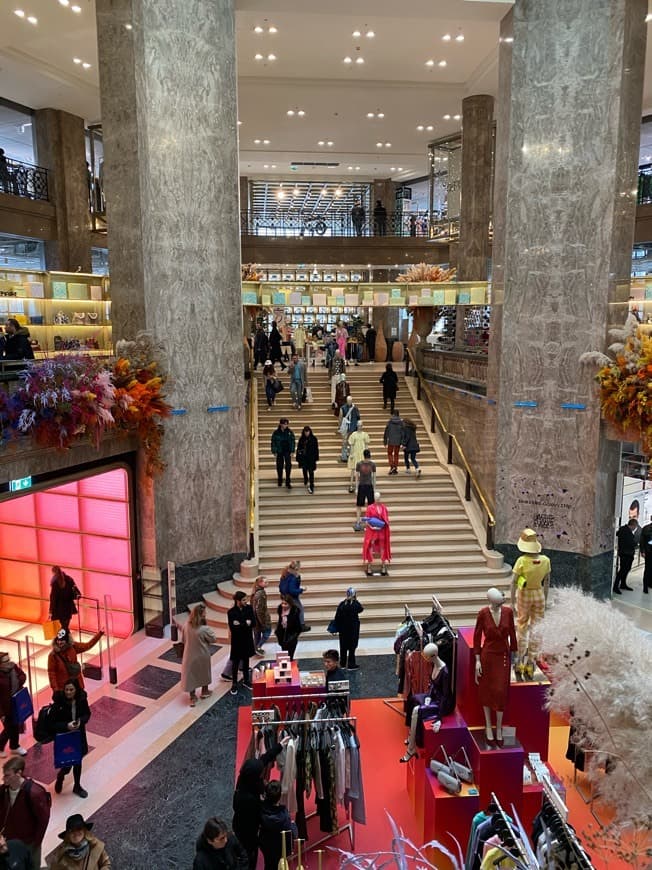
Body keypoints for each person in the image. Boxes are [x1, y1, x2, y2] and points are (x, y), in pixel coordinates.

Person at [474, 587, 517, 746]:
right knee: (486, 690)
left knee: (500, 691)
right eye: (497, 602)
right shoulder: (483, 614)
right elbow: (477, 637)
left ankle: (498, 727)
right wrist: (477, 660)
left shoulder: (508, 612)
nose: (500, 605)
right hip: (487, 656)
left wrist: (515, 655)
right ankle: (488, 726)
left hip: (503, 655)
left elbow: (512, 632)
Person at [232, 743, 283, 870]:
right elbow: (260, 815)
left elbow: (263, 760)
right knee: (248, 856)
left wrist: (279, 746)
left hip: (241, 825)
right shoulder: (248, 799)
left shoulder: (245, 780)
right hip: (247, 832)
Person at [400, 643, 454, 762]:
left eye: (427, 657)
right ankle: (411, 736)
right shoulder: (434, 665)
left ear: (433, 656)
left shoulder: (444, 672)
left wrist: (439, 718)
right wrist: (429, 696)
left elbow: (445, 696)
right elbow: (432, 685)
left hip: (441, 703)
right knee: (413, 699)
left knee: (417, 710)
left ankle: (411, 749)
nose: (425, 659)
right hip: (433, 697)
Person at [510, 528, 550, 679]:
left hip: (525, 594)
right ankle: (531, 663)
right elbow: (547, 581)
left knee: (522, 626)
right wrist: (545, 598)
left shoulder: (522, 561)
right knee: (536, 627)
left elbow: (513, 582)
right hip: (539, 594)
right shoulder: (546, 560)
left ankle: (520, 660)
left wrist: (512, 600)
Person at [0, 757, 50, 870]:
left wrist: (36, 842)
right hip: (10, 838)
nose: (4, 779)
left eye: (7, 775)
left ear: (18, 773)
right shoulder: (4, 790)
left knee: (32, 865)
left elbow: (43, 820)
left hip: (29, 841)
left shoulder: (34, 793)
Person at [51, 680, 91, 798]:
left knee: (78, 760)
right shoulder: (58, 703)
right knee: (67, 764)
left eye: (71, 690)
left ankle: (77, 785)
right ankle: (61, 775)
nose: (68, 692)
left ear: (76, 690)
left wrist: (80, 722)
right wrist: (66, 726)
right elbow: (52, 723)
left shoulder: (82, 700)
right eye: (66, 690)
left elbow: (87, 714)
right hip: (65, 737)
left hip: (78, 734)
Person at [47, 627, 104, 694]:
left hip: (77, 685)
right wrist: (56, 691)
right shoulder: (53, 655)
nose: (59, 642)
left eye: (62, 640)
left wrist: (100, 634)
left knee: (81, 702)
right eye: (58, 640)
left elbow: (87, 646)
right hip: (64, 689)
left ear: (67, 640)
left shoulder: (73, 647)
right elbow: (51, 674)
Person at [181, 603, 216, 707]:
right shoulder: (204, 629)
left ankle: (192, 697)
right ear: (202, 615)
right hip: (202, 654)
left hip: (189, 655)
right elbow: (213, 639)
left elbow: (183, 640)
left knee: (191, 675)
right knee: (204, 672)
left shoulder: (186, 626)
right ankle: (205, 691)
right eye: (205, 612)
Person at [258, 780, 297, 870]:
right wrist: (289, 851)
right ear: (279, 796)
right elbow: (288, 834)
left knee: (268, 864)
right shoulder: (284, 815)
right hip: (280, 847)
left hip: (266, 845)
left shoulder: (261, 810)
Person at [227, 591, 256, 696]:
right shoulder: (231, 612)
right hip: (237, 641)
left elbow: (253, 623)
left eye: (246, 599)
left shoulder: (249, 608)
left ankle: (246, 680)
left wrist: (241, 624)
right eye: (243, 600)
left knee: (246, 660)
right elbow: (234, 628)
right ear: (237, 601)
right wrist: (245, 624)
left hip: (247, 639)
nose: (246, 601)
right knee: (235, 662)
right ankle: (234, 683)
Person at [0, 653, 26, 757]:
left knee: (15, 725)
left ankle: (14, 746)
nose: (8, 663)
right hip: (4, 707)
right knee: (8, 728)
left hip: (16, 701)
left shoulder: (13, 666)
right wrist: (1, 713)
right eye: (5, 661)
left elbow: (23, 675)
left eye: (8, 659)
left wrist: (17, 682)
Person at [332, 587, 364, 670]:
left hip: (343, 629)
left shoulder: (342, 604)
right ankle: (351, 664)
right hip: (353, 629)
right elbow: (361, 609)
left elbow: (337, 617)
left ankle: (342, 664)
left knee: (343, 647)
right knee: (352, 647)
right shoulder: (355, 604)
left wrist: (336, 627)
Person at [362, 491, 391, 576]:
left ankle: (383, 565)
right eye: (376, 497)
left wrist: (382, 526)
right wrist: (372, 527)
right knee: (370, 547)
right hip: (372, 531)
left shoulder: (384, 508)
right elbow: (367, 520)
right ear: (374, 498)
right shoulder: (370, 508)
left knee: (383, 547)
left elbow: (386, 520)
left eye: (378, 498)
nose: (377, 499)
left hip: (381, 531)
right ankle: (369, 565)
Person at [49, 566, 81, 632]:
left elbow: (53, 598)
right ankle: (67, 641)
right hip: (68, 609)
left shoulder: (55, 583)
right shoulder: (69, 579)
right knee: (65, 628)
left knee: (59, 630)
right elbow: (75, 592)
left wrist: (50, 610)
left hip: (58, 610)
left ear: (53, 573)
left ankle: (62, 641)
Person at [278, 560, 308, 629]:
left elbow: (280, 587)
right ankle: (301, 625)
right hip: (291, 597)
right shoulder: (293, 577)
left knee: (287, 611)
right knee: (300, 609)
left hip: (284, 596)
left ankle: (286, 624)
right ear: (296, 569)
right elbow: (292, 590)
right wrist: (301, 589)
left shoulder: (284, 574)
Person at [613, 518, 638, 594]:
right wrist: (636, 543)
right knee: (623, 570)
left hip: (627, 553)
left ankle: (623, 584)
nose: (635, 528)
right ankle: (615, 586)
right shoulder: (625, 531)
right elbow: (630, 543)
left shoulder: (624, 530)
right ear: (633, 525)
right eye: (635, 526)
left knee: (626, 569)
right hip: (625, 554)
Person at [271, 418, 295, 489]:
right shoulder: (276, 432)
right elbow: (273, 442)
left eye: (287, 424)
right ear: (281, 424)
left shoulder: (290, 432)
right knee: (279, 466)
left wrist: (292, 451)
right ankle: (280, 479)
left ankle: (288, 481)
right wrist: (274, 451)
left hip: (287, 451)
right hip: (279, 451)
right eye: (284, 424)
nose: (286, 425)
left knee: (288, 465)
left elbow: (293, 441)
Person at [354, 449, 376, 527]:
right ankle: (369, 522)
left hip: (361, 485)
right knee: (371, 505)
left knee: (359, 505)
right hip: (369, 486)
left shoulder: (359, 464)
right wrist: (375, 488)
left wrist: (356, 487)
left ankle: (358, 522)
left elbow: (356, 476)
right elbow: (374, 477)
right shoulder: (372, 464)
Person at [251, 576, 271, 656]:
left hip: (255, 618)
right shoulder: (260, 593)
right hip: (260, 618)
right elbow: (259, 609)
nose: (267, 583)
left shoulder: (256, 591)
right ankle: (258, 647)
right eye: (265, 582)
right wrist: (262, 621)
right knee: (267, 632)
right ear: (260, 583)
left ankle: (255, 650)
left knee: (257, 635)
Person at [347, 421, 370, 492]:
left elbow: (366, 445)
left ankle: (361, 486)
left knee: (362, 471)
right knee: (353, 470)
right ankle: (351, 485)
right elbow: (351, 445)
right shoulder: (354, 434)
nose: (359, 427)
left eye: (361, 425)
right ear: (357, 426)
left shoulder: (365, 435)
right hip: (355, 453)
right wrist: (351, 454)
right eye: (358, 425)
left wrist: (367, 455)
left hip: (362, 454)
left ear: (362, 426)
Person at [296, 425, 319, 493]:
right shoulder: (301, 439)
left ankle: (311, 485)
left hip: (311, 458)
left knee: (311, 472)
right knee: (304, 470)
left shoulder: (314, 439)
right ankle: (305, 478)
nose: (306, 433)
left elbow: (316, 449)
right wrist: (298, 457)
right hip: (304, 458)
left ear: (310, 431)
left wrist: (316, 458)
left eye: (308, 432)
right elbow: (298, 449)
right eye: (305, 432)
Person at [339, 396, 360, 465]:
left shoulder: (355, 408)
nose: (349, 402)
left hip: (353, 427)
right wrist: (340, 426)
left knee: (351, 442)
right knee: (345, 442)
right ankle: (344, 456)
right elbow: (340, 417)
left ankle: (351, 455)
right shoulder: (343, 408)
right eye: (348, 401)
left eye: (350, 401)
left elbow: (358, 418)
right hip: (346, 427)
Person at [383, 409, 403, 474]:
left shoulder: (390, 421)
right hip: (398, 441)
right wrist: (402, 442)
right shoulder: (401, 422)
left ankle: (392, 466)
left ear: (393, 414)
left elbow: (386, 431)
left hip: (391, 440)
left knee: (390, 453)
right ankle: (395, 467)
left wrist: (385, 441)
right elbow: (403, 433)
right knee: (396, 454)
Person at [640, 516, 652, 594]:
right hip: (649, 552)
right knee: (648, 569)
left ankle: (650, 584)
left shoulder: (646, 528)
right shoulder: (646, 528)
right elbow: (642, 541)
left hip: (648, 551)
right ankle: (645, 586)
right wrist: (642, 551)